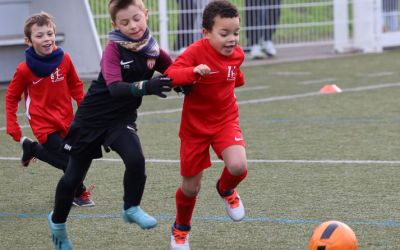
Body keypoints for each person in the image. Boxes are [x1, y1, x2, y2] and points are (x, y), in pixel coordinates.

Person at [47, 0, 173, 249]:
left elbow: (175, 69)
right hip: (91, 120)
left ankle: (131, 207)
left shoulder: (152, 48)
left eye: (137, 18)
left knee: (135, 159)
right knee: (73, 178)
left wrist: (189, 80)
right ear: (115, 25)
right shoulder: (113, 50)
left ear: (146, 15)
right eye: (125, 22)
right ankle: (58, 225)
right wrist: (148, 86)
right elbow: (115, 88)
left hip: (120, 120)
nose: (133, 26)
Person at [165, 1, 248, 249]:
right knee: (191, 188)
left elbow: (235, 78)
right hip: (195, 129)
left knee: (238, 166)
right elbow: (170, 74)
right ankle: (181, 229)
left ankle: (226, 190)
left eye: (235, 33)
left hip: (225, 121)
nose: (231, 39)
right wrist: (192, 72)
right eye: (224, 34)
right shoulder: (194, 52)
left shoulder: (238, 54)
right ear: (206, 33)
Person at [5, 11, 95, 207]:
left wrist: (85, 110)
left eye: (50, 33)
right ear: (28, 41)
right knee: (67, 161)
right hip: (43, 123)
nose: (46, 39)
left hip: (66, 119)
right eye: (39, 35)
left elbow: (76, 86)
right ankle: (78, 193)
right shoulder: (24, 70)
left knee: (78, 155)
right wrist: (12, 124)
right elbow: (12, 96)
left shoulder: (65, 59)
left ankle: (31, 148)